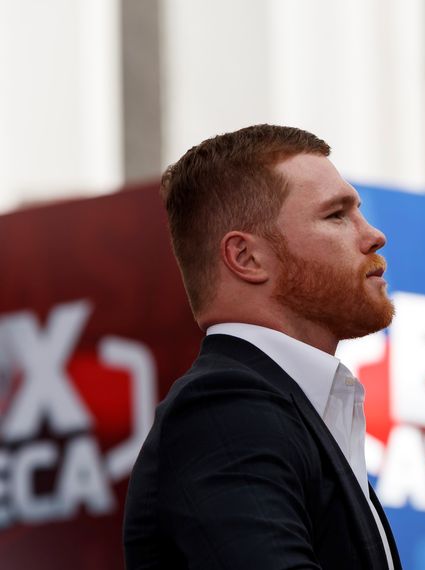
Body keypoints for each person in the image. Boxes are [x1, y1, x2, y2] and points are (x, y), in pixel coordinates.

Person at [123, 124, 401, 569]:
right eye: (336, 215)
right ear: (246, 258)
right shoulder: (223, 409)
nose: (373, 235)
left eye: (358, 211)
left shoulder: (283, 405)